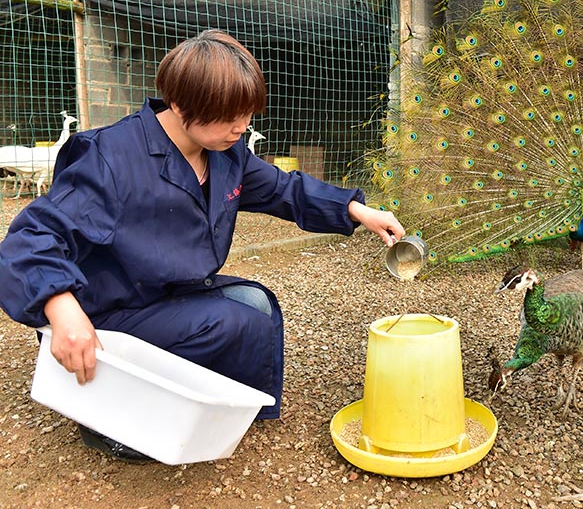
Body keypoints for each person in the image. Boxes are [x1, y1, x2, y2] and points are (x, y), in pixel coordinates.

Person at [0, 30, 405, 462]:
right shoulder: (110, 158)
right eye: (229, 114)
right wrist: (62, 310)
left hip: (164, 295)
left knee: (254, 305)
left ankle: (222, 409)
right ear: (180, 104)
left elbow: (285, 190)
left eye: (247, 113)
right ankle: (117, 421)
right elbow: (31, 237)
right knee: (229, 322)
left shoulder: (225, 153)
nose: (242, 126)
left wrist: (356, 210)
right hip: (104, 312)